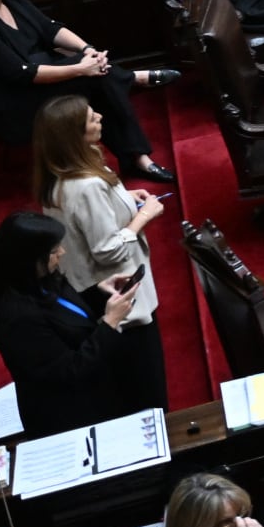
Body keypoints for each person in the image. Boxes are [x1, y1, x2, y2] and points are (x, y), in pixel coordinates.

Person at [0, 0, 172, 179]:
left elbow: (49, 28)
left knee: (98, 76)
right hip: (13, 105)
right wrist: (80, 69)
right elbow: (20, 73)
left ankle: (137, 152)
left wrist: (88, 50)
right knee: (96, 77)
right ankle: (136, 140)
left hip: (38, 80)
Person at [30, 96, 166, 407]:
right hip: (113, 288)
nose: (100, 118)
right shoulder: (86, 185)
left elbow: (87, 214)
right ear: (73, 136)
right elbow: (108, 250)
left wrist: (127, 199)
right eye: (92, 119)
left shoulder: (64, 170)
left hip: (89, 287)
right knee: (145, 386)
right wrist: (142, 217)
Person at [0, 210, 162, 436]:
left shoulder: (38, 278)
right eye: (53, 250)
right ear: (29, 259)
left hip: (96, 385)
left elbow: (64, 313)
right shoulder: (16, 319)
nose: (62, 252)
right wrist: (109, 323)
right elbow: (69, 371)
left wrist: (100, 293)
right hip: (71, 415)